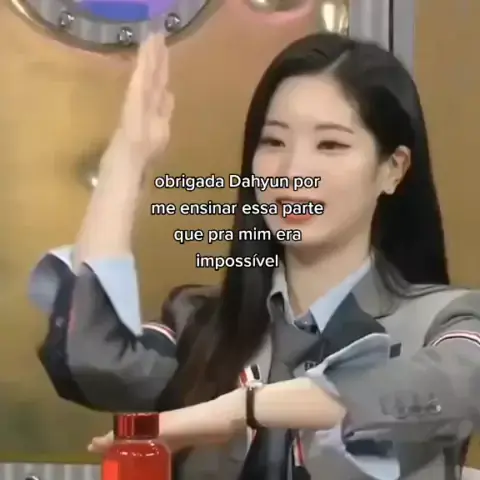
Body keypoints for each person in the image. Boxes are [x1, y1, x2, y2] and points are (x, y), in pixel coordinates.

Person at [29, 32, 480, 480]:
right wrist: (128, 158)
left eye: (330, 145)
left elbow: (452, 385)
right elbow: (92, 359)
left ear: (392, 169)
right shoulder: (200, 325)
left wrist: (242, 410)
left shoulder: (444, 321)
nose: (293, 172)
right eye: (274, 142)